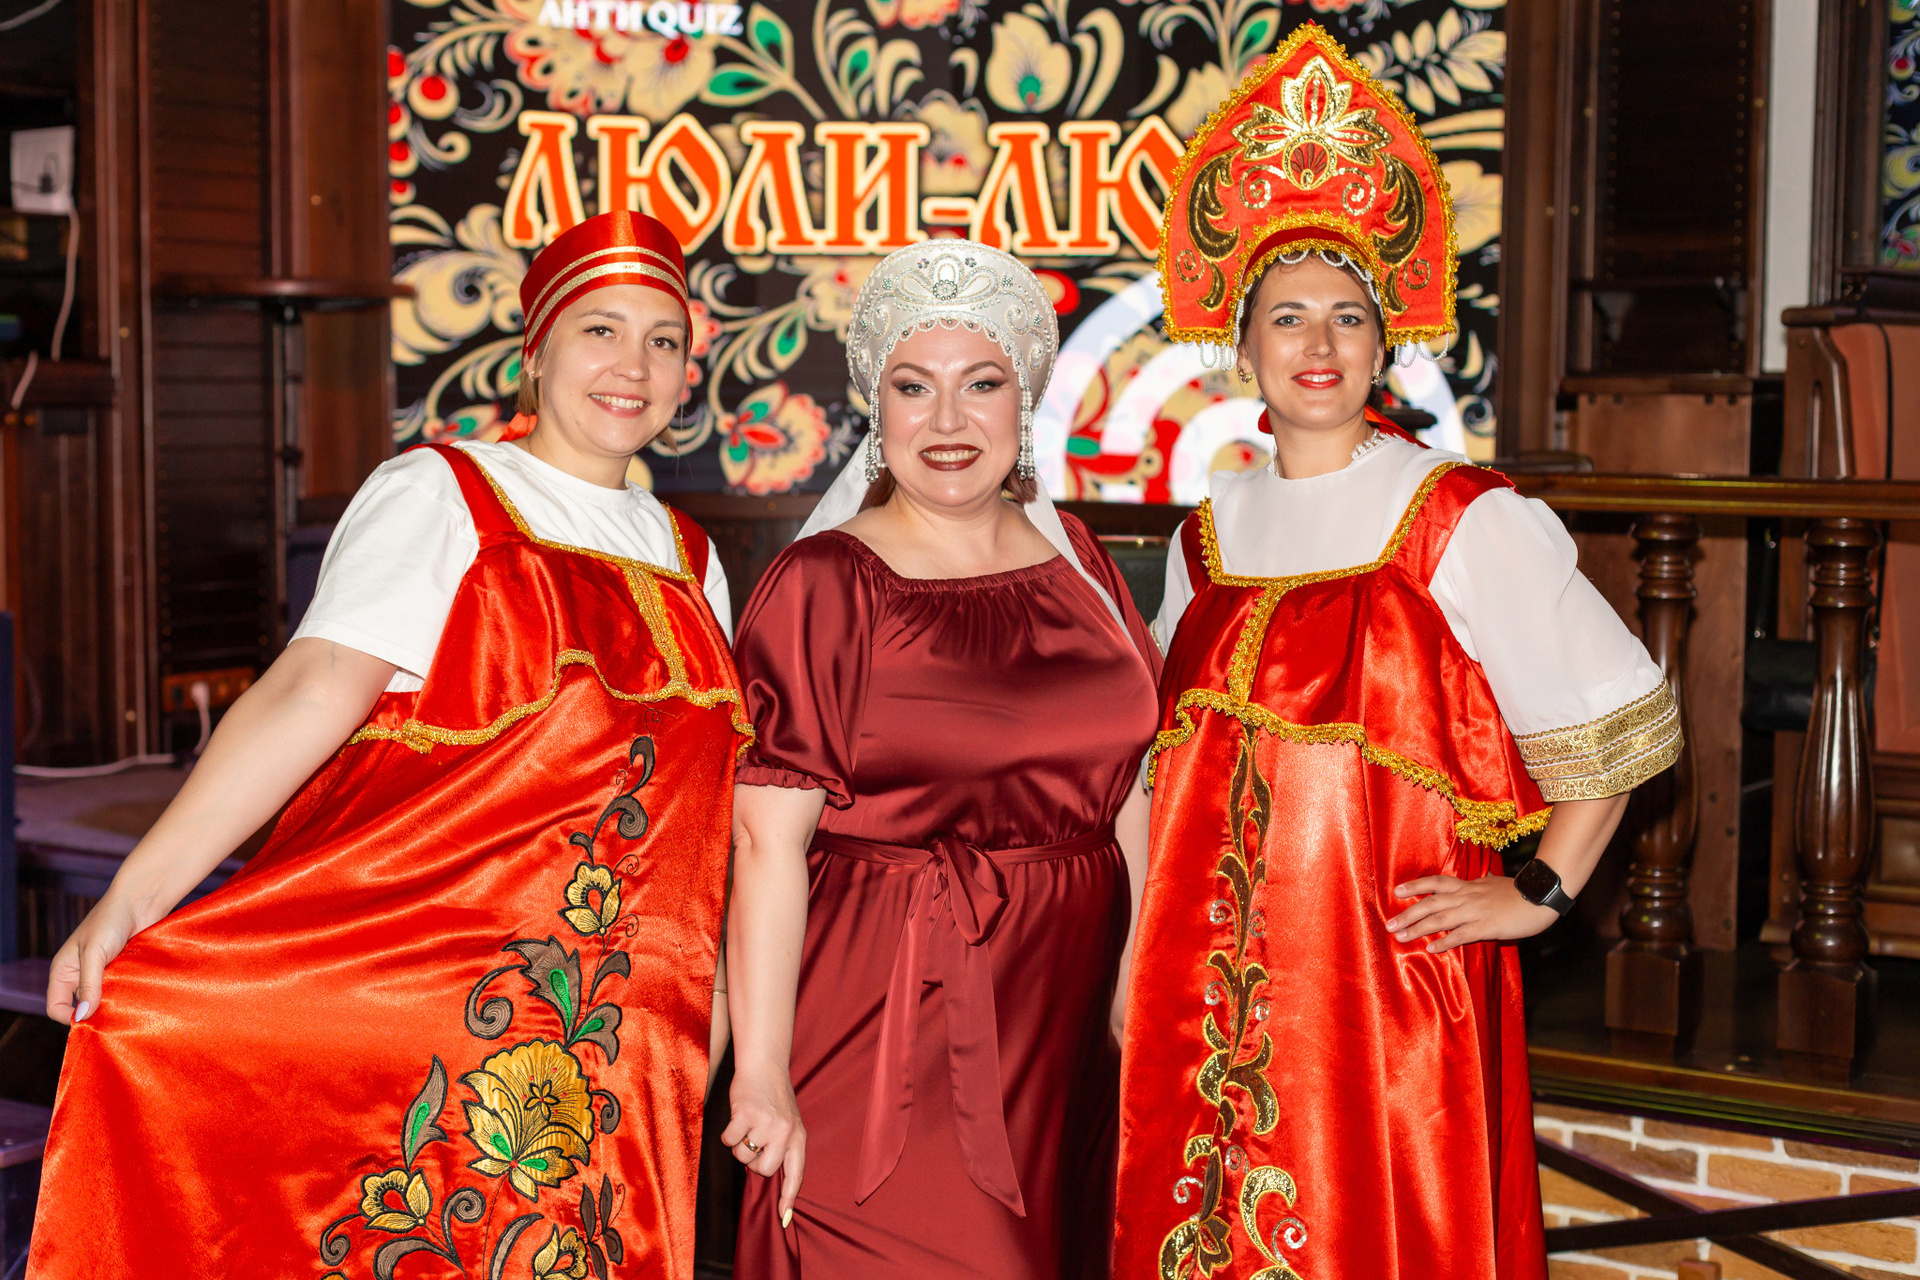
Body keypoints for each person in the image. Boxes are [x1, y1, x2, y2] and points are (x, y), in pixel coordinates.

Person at [28, 210, 749, 1279]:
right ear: (536, 350)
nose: (633, 366)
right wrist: (132, 897)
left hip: (613, 1050)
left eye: (664, 340)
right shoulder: (443, 493)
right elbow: (311, 689)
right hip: (435, 997)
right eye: (600, 329)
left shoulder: (692, 559)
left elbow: (707, 822)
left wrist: (701, 1026)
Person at [1115, 24, 1682, 1280]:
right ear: (1243, 347)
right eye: (1287, 318)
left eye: (1347, 317)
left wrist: (1538, 893)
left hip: (1383, 990)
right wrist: (1135, 957)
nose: (1318, 344)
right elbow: (1158, 773)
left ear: (1384, 342)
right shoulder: (1207, 535)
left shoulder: (1459, 515)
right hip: (1206, 989)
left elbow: (1622, 720)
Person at [722, 240, 1161, 1279]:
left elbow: (1131, 781)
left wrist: (1134, 981)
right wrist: (763, 1071)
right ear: (876, 409)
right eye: (913, 387)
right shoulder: (825, 584)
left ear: (1026, 400)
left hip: (1067, 1025)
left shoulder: (1081, 561)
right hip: (890, 1009)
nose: (949, 421)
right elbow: (764, 843)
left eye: (982, 384)